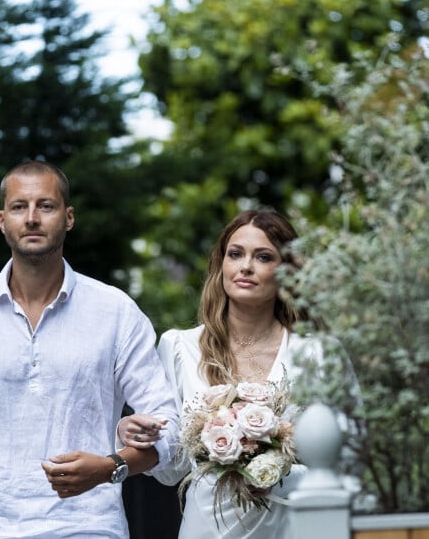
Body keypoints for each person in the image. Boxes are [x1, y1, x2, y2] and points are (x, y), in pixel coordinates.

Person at [0, 160, 179, 539]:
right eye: (18, 207)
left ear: (68, 217)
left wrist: (109, 466)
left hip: (89, 528)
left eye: (46, 205)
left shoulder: (116, 311)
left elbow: (168, 426)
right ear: (1, 220)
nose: (31, 218)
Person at [118, 210, 326, 539]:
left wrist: (275, 465)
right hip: (208, 528)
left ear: (286, 272)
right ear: (221, 265)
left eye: (263, 257)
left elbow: (346, 455)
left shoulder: (314, 354)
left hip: (292, 526)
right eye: (235, 254)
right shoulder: (178, 348)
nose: (246, 266)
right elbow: (171, 469)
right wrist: (136, 433)